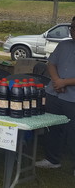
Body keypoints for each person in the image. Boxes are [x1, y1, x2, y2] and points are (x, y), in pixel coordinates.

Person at [35, 16, 75, 174]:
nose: (73, 31)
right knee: (52, 127)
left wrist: (65, 83)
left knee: (73, 131)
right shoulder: (64, 44)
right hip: (55, 93)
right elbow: (51, 63)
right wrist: (57, 80)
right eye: (71, 27)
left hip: (72, 98)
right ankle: (52, 159)